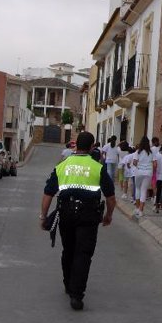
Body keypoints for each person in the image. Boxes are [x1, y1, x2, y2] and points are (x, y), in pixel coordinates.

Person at [39, 131, 116, 311]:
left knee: (69, 249)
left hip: (65, 213)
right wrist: (108, 216)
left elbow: (48, 193)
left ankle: (68, 284)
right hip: (89, 215)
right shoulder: (98, 167)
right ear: (91, 147)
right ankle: (76, 295)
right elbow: (111, 198)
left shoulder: (62, 165)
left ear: (75, 146)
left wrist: (43, 217)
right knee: (83, 253)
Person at [131, 136, 156, 217]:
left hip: (139, 172)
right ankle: (141, 210)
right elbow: (155, 164)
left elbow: (134, 162)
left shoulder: (137, 152)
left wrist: (138, 165)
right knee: (144, 190)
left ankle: (137, 208)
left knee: (138, 189)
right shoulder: (152, 152)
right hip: (148, 172)